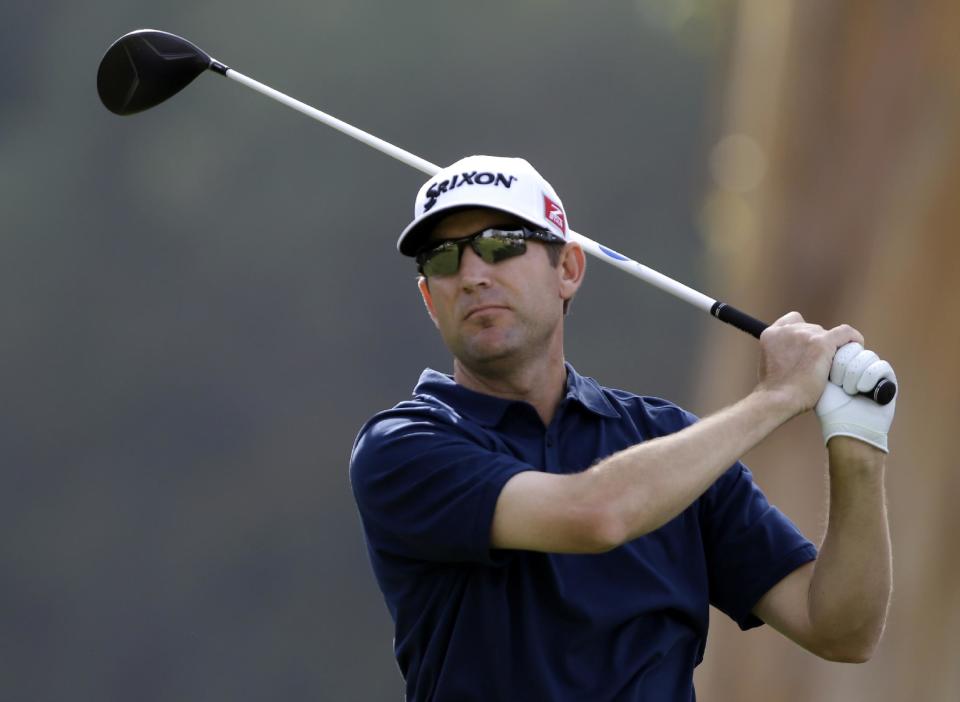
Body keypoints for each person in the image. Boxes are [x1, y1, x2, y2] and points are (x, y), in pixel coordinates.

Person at [349, 155, 897, 701]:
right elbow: (595, 515)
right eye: (443, 260)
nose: (471, 276)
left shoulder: (664, 439)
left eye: (501, 244)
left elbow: (840, 629)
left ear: (567, 269)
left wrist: (858, 449)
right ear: (429, 299)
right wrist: (775, 398)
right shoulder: (402, 447)